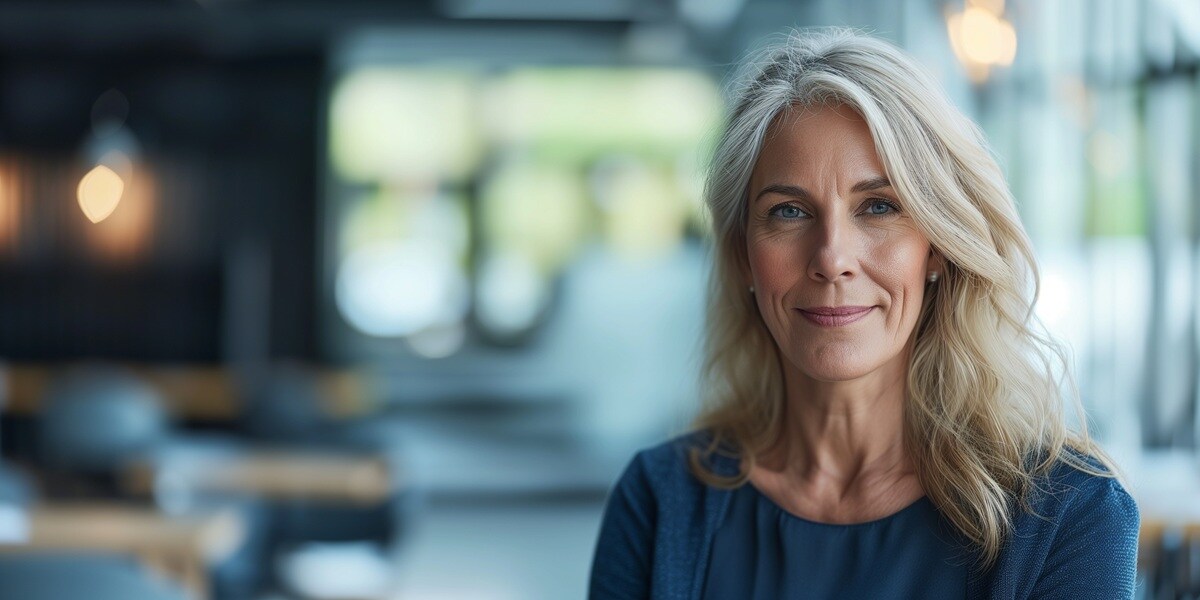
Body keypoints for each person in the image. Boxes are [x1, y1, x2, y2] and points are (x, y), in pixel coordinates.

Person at [588, 28, 1139, 599]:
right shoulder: (659, 503)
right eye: (789, 211)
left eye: (879, 206)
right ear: (743, 255)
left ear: (939, 248)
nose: (831, 259)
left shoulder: (1069, 517)